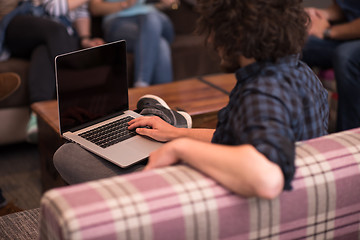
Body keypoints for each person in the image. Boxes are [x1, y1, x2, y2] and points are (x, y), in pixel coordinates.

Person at [54, 0, 329, 199]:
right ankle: (172, 121)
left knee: (69, 154)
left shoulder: (261, 95)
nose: (211, 40)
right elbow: (245, 139)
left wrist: (180, 150)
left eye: (215, 30)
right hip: (244, 186)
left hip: (201, 200)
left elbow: (267, 178)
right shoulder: (302, 75)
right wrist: (175, 135)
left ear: (236, 34)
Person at [0, 0, 105, 143]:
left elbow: (81, 13)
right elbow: (53, 7)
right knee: (58, 31)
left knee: (43, 50)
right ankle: (75, 104)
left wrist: (85, 39)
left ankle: (37, 117)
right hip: (24, 25)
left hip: (55, 39)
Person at [89, 0, 177, 87]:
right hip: (119, 21)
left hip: (154, 20)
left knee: (152, 19)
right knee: (161, 44)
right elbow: (94, 8)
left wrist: (166, 3)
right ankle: (162, 97)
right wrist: (125, 4)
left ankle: (141, 84)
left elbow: (171, 4)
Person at [302, 0, 360, 132]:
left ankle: (349, 135)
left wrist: (329, 31)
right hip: (347, 35)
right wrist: (321, 14)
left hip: (347, 42)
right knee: (297, 43)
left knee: (346, 57)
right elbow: (350, 7)